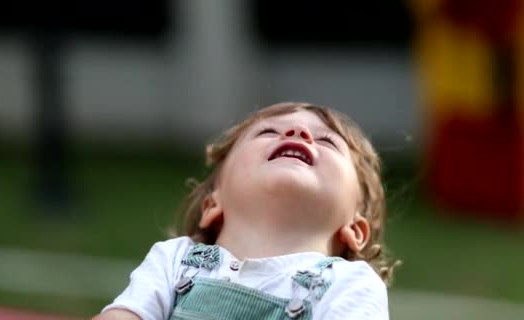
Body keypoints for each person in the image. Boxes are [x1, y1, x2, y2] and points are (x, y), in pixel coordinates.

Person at [92, 102, 399, 320]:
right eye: (267, 132)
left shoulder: (349, 283)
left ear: (355, 231)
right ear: (213, 204)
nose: (298, 132)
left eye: (327, 141)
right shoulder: (175, 261)